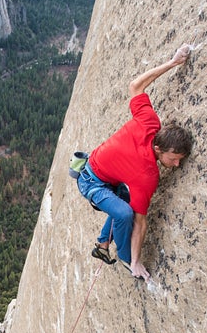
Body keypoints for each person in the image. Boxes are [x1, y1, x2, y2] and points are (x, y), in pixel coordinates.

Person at [77, 44, 194, 281]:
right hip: (90, 180)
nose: (176, 165)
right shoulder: (147, 175)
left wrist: (173, 63)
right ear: (159, 148)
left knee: (123, 198)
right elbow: (139, 223)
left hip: (109, 179)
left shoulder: (149, 120)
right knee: (124, 212)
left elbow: (136, 85)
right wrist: (136, 261)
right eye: (174, 159)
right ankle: (123, 257)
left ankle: (102, 244)